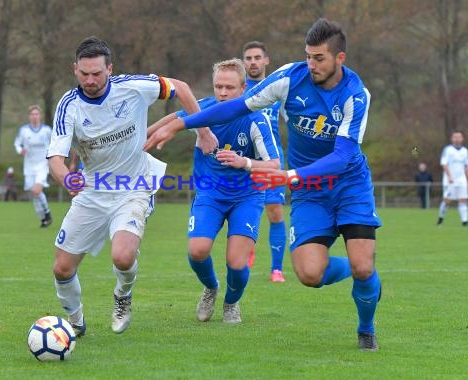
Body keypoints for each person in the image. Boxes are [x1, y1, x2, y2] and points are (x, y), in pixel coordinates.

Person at [145, 18, 383, 351]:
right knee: (309, 274)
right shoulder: (289, 77)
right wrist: (182, 124)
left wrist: (287, 176)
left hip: (349, 185)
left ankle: (366, 326)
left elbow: (343, 156)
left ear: (339, 58)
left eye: (319, 59)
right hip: (310, 192)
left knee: (363, 264)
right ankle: (360, 272)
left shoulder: (356, 95)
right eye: (308, 56)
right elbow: (234, 108)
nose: (311, 64)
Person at [46, 36, 216, 336]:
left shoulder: (134, 87)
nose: (90, 79)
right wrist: (66, 178)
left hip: (133, 185)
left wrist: (202, 132)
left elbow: (182, 88)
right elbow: (56, 160)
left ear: (109, 69)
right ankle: (75, 321)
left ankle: (123, 296)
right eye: (84, 73)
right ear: (75, 70)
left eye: (97, 73)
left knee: (122, 256)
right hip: (92, 191)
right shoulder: (68, 106)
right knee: (62, 268)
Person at [153, 58, 279, 323]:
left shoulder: (257, 119)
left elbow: (275, 165)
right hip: (210, 193)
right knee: (197, 250)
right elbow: (174, 119)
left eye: (229, 87)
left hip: (247, 195)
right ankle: (211, 288)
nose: (222, 92)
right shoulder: (205, 109)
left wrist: (245, 162)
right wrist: (145, 135)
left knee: (236, 262)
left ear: (244, 88)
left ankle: (231, 303)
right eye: (218, 86)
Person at [242, 41, 287, 282]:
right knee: (246, 209)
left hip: (272, 161)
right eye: (248, 58)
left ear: (266, 60)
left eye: (257, 57)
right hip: (245, 161)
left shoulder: (277, 89)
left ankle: (276, 269)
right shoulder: (238, 89)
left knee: (275, 212)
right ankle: (247, 248)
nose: (252, 62)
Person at [14, 105, 53, 227]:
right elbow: (17, 144)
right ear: (29, 116)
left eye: (37, 114)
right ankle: (43, 218)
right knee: (34, 194)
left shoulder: (46, 130)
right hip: (29, 167)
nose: (35, 116)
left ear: (40, 116)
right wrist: (20, 150)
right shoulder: (24, 130)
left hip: (42, 165)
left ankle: (47, 212)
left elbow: (55, 143)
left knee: (37, 190)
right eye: (32, 114)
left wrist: (52, 159)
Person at [437, 130, 468, 226]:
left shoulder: (465, 151)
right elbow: (444, 164)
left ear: (462, 138)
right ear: (452, 139)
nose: (457, 139)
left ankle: (465, 221)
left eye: (459, 137)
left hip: (461, 179)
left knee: (463, 199)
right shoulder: (448, 150)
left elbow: (467, 166)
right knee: (447, 200)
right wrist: (450, 176)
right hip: (450, 180)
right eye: (455, 137)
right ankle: (440, 219)